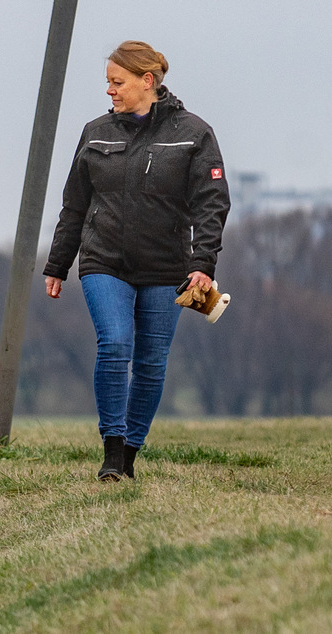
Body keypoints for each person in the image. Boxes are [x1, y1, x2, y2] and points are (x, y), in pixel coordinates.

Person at [43, 40, 230, 481]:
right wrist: (57, 264)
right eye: (108, 82)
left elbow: (211, 204)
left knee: (151, 362)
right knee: (114, 344)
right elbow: (74, 205)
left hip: (168, 269)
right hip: (103, 260)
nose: (109, 90)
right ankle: (111, 451)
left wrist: (203, 264)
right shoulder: (95, 132)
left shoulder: (194, 133)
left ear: (148, 81)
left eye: (117, 81)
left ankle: (128, 456)